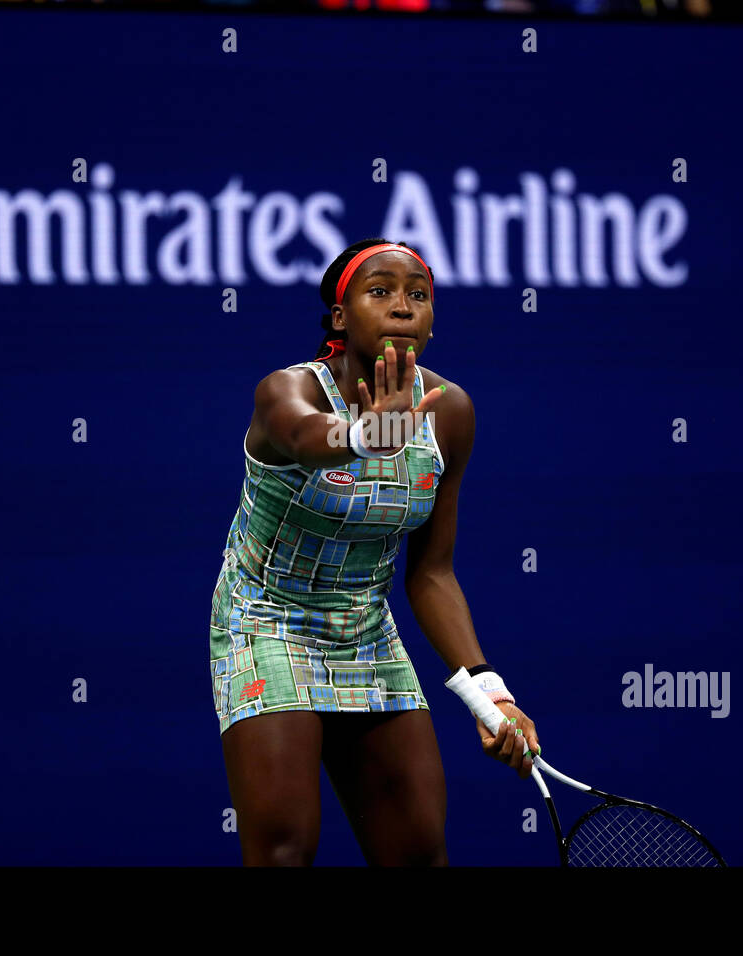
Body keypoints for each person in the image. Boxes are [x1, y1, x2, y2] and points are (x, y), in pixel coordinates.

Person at [209, 237, 542, 865]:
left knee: (417, 854)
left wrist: (488, 692)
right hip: (264, 621)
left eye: (418, 295)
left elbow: (433, 573)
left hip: (366, 630)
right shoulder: (284, 393)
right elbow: (310, 439)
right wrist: (368, 433)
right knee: (283, 851)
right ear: (340, 317)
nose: (402, 307)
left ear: (433, 321)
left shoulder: (451, 413)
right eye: (380, 291)